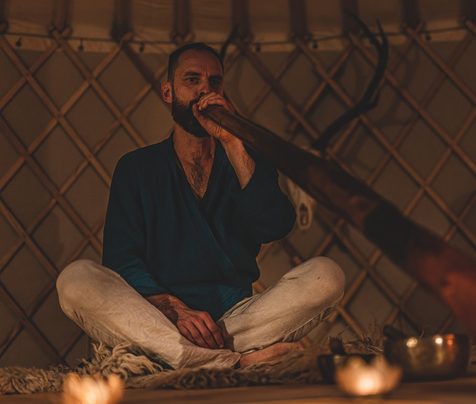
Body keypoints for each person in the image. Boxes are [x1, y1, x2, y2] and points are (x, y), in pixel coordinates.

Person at [56, 42, 345, 370]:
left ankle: (187, 358)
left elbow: (275, 225)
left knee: (327, 275)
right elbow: (121, 259)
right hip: (159, 317)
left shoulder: (245, 158)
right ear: (168, 92)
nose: (205, 91)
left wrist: (233, 141)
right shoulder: (137, 168)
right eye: (191, 80)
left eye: (214, 82)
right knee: (75, 279)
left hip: (235, 324)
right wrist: (177, 311)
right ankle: (229, 364)